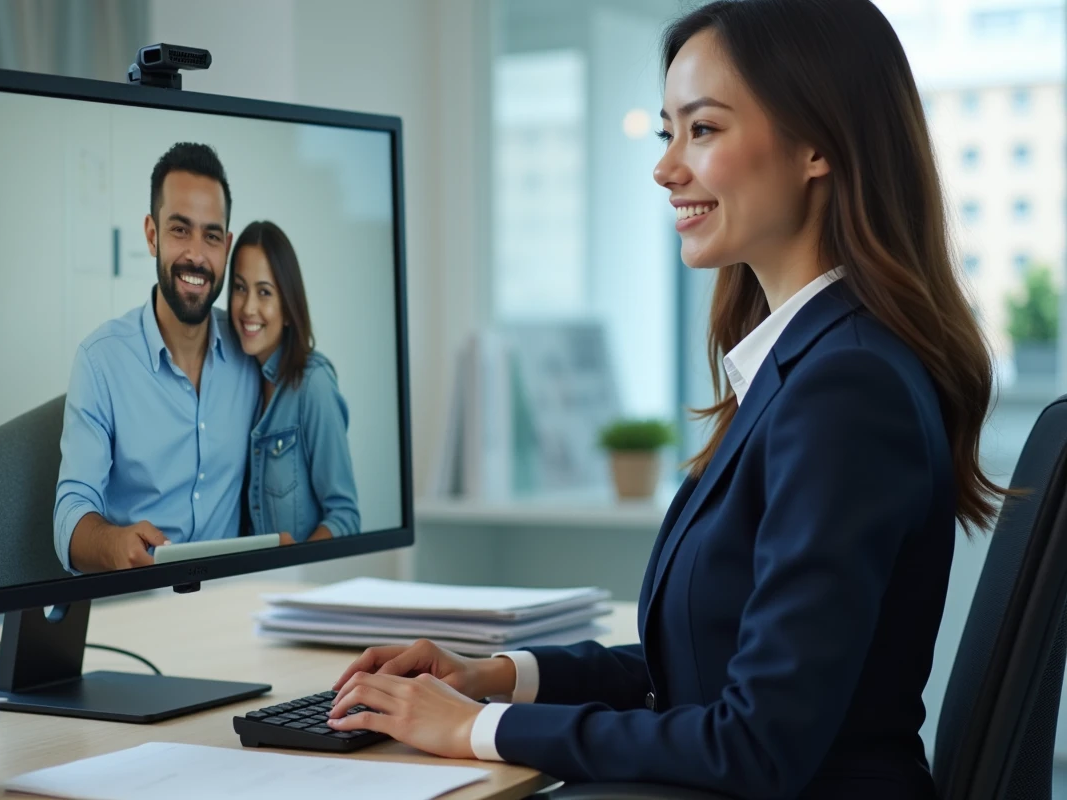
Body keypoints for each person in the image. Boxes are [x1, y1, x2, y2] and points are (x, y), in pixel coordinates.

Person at [323, 1, 1007, 796]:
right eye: (667, 132)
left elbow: (755, 741)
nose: (666, 167)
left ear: (818, 144)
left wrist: (470, 729)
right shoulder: (809, 367)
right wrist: (495, 677)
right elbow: (705, 660)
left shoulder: (845, 389)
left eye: (703, 130)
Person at [53, 143, 260, 573]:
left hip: (229, 609)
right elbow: (70, 513)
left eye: (212, 235)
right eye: (180, 230)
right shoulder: (101, 361)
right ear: (152, 235)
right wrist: (113, 543)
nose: (197, 256)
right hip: (138, 611)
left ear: (228, 246)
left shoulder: (250, 352)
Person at [228, 220, 360, 544]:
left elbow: (345, 517)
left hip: (294, 587)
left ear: (287, 308)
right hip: (244, 586)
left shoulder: (313, 386)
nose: (249, 308)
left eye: (264, 292)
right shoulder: (236, 379)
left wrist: (294, 562)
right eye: (240, 287)